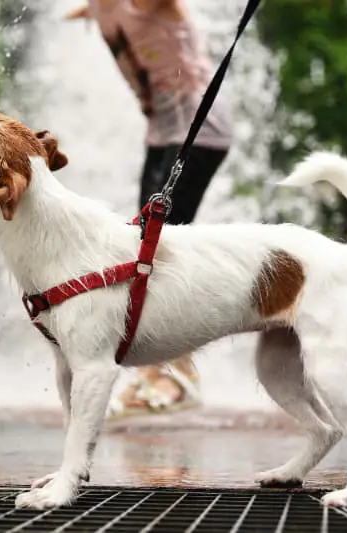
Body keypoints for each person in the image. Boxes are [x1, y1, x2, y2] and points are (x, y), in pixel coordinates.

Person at [66, 0, 233, 414]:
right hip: (161, 136)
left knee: (154, 251)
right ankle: (166, 372)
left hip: (200, 132)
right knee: (142, 248)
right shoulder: (97, 9)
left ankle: (175, 376)